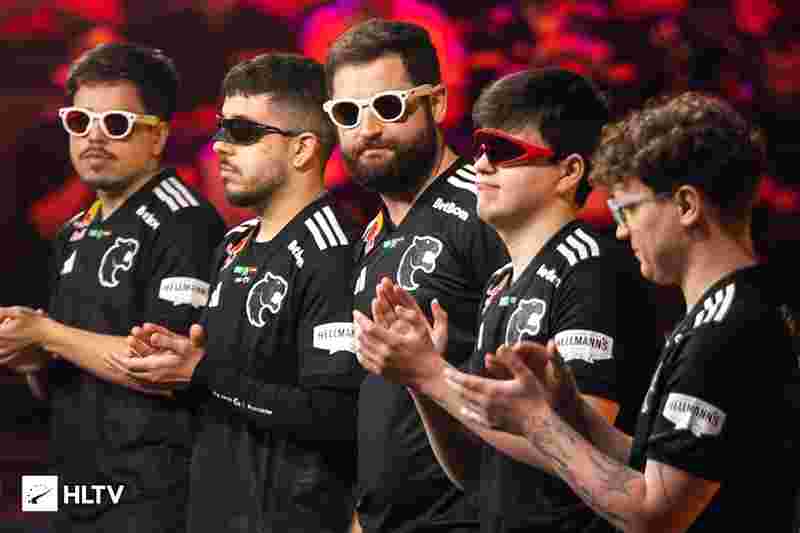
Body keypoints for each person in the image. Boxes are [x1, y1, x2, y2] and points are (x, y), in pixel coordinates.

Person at [436, 91, 800, 532]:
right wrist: (569, 410)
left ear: (686, 206)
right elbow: (652, 467)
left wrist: (535, 422)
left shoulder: (724, 330)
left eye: (628, 210)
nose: (623, 231)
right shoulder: (724, 311)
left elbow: (655, 514)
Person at [353, 68, 661, 533]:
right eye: (479, 149)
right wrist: (420, 382)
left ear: (569, 172)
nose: (480, 165)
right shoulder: (499, 283)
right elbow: (477, 474)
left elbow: (584, 448)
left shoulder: (591, 268)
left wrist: (433, 374)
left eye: (503, 151)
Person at [108, 53, 363, 533]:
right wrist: (175, 363)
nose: (220, 147)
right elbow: (221, 386)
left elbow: (335, 415)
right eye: (221, 129)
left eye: (242, 132)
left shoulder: (334, 251)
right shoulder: (233, 244)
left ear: (303, 149)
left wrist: (201, 372)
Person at [0, 43, 226, 532]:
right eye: (80, 122)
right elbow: (63, 371)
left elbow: (164, 368)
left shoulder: (185, 222)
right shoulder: (74, 230)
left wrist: (46, 333)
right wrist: (31, 359)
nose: (94, 138)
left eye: (117, 124)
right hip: (69, 481)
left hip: (149, 491)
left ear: (158, 136)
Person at [323, 18, 509, 533]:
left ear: (438, 103)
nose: (367, 129)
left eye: (388, 106)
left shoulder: (488, 208)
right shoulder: (371, 234)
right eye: (348, 113)